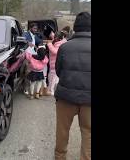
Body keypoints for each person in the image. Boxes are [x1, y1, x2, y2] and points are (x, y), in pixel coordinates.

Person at [54, 12, 91, 160]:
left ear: (75, 28)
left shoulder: (65, 47)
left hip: (66, 97)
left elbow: (58, 71)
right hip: (90, 100)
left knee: (62, 131)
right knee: (88, 133)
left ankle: (60, 157)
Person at [45, 30, 67, 95]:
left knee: (52, 78)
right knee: (52, 77)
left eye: (55, 37)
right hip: (54, 63)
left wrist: (49, 44)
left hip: (55, 63)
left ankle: (51, 91)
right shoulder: (61, 41)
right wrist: (52, 36)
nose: (54, 39)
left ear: (58, 38)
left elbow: (55, 51)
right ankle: (50, 89)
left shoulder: (60, 44)